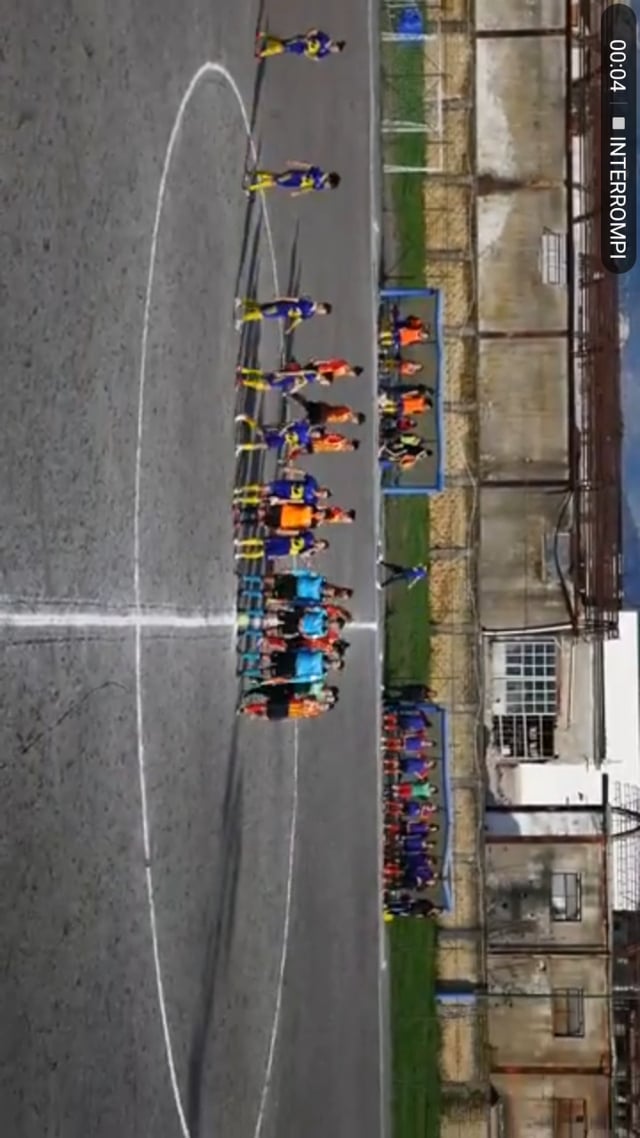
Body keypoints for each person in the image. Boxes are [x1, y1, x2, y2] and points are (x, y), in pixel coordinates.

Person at [235, 295, 332, 335]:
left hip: (282, 313)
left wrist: (290, 328)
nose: (320, 313)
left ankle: (241, 302)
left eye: (322, 313)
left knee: (261, 307)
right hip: (281, 307)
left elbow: (299, 320)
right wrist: (280, 298)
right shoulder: (308, 303)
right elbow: (294, 299)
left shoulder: (310, 314)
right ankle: (241, 320)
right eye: (322, 311)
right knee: (262, 314)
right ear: (321, 305)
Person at [236, 503, 356, 533]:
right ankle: (242, 510)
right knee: (262, 511)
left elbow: (299, 529)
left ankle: (242, 523)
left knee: (262, 522)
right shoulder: (312, 507)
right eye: (321, 513)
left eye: (322, 516)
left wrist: (285, 531)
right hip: (284, 510)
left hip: (285, 522)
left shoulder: (314, 524)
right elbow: (298, 503)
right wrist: (283, 502)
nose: (320, 515)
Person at [233, 473, 330, 508]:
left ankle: (240, 500)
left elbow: (298, 501)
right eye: (323, 492)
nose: (321, 494)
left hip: (284, 496)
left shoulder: (312, 500)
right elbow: (304, 474)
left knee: (262, 500)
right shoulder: (312, 483)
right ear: (322, 489)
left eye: (322, 496)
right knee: (264, 488)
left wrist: (281, 501)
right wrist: (291, 470)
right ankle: (241, 489)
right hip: (283, 486)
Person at [243, 163, 341, 196]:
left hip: (295, 183)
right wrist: (294, 164)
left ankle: (251, 175)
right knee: (274, 181)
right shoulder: (319, 173)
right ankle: (250, 187)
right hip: (293, 176)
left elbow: (309, 189)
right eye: (329, 185)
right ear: (329, 179)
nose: (327, 187)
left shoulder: (320, 186)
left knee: (274, 179)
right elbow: (307, 166)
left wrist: (298, 193)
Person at [239, 688, 338, 719]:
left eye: (325, 708)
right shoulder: (315, 701)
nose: (323, 706)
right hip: (289, 704)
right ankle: (245, 709)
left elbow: (304, 715)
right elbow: (304, 700)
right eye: (325, 705)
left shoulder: (316, 713)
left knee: (268, 715)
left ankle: (251, 709)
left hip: (289, 713)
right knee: (267, 706)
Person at [236, 363, 332, 394]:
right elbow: (300, 373)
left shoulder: (315, 378)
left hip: (289, 381)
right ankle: (243, 380)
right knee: (267, 385)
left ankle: (244, 371)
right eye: (326, 383)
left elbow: (303, 381)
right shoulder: (314, 374)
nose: (324, 384)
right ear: (325, 378)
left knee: (266, 377)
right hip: (288, 378)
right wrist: (284, 373)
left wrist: (295, 389)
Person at [255, 29, 346, 60]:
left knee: (282, 43)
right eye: (335, 48)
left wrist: (308, 54)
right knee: (283, 47)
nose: (333, 50)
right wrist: (307, 36)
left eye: (335, 51)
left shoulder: (326, 52)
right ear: (335, 43)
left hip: (301, 49)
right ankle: (261, 54)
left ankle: (263, 36)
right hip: (301, 41)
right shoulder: (325, 39)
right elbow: (315, 31)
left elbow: (317, 58)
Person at [288, 392, 366, 426]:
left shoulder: (346, 416)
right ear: (356, 415)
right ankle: (292, 394)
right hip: (321, 414)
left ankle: (293, 394)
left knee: (306, 405)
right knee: (306, 419)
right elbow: (332, 412)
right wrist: (323, 420)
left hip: (322, 414)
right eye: (355, 421)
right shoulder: (346, 412)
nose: (353, 422)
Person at [234, 533, 329, 561]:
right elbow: (297, 532)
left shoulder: (311, 551)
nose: (319, 544)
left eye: (321, 546)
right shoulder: (310, 536)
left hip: (285, 550)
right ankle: (241, 542)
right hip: (285, 540)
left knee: (262, 553)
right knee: (261, 541)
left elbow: (302, 555)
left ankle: (242, 555)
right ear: (320, 540)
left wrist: (312, 549)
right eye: (321, 543)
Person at [287, 430, 360, 460]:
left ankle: (289, 455)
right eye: (350, 447)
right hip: (315, 443)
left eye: (350, 450)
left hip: (317, 449)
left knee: (299, 451)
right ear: (350, 442)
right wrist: (317, 439)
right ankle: (288, 436)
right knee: (298, 444)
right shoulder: (341, 439)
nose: (348, 449)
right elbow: (328, 437)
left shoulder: (341, 447)